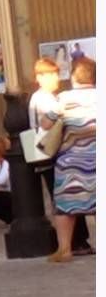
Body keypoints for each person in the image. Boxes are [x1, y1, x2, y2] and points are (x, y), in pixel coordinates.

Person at [28, 58, 91, 254]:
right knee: (68, 196)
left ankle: (75, 242)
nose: (56, 77)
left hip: (46, 153)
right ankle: (77, 242)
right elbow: (51, 125)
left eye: (57, 73)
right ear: (39, 77)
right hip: (51, 153)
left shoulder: (49, 98)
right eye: (51, 74)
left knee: (68, 195)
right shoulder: (45, 99)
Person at [42, 57, 97, 263]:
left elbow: (46, 123)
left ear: (74, 76)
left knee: (65, 206)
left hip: (71, 161)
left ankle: (64, 249)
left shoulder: (63, 98)